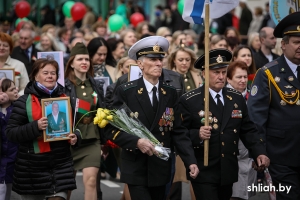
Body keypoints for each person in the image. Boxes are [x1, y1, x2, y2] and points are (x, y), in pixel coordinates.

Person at [105, 36, 199, 200]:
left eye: (160, 59)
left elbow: (177, 130)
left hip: (161, 166)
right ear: (140, 64)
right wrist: (136, 142)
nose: (158, 63)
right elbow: (111, 128)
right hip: (136, 165)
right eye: (153, 59)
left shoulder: (169, 93)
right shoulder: (126, 91)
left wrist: (190, 160)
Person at [178, 48, 270, 200]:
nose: (221, 76)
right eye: (216, 72)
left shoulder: (236, 98)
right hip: (204, 168)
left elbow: (248, 130)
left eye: (223, 72)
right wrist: (197, 135)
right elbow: (181, 134)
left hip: (228, 168)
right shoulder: (190, 100)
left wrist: (259, 152)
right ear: (204, 74)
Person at [5, 58, 79, 200]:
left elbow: (76, 126)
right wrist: (35, 126)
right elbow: (11, 132)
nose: (50, 76)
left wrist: (76, 136)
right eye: (45, 73)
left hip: (60, 164)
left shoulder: (65, 99)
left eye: (53, 73)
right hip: (32, 167)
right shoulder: (23, 101)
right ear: (35, 76)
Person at [248, 12, 300, 200]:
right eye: (296, 41)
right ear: (283, 44)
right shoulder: (268, 73)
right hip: (281, 156)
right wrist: (259, 151)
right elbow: (256, 117)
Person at [64, 42, 105, 200]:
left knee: (91, 181)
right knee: (67, 184)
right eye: (80, 59)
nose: (84, 62)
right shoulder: (64, 86)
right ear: (72, 63)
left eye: (87, 59)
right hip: (70, 139)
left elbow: (102, 109)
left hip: (92, 138)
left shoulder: (95, 84)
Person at [226, 61, 257, 200]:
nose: (243, 80)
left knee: (246, 194)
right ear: (229, 79)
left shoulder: (253, 97)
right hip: (230, 157)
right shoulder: (222, 97)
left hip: (249, 156)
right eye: (239, 77)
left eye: (245, 77)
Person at [0, 78, 19, 200]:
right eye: (12, 89)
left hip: (13, 155)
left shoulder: (17, 108)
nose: (16, 90)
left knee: (7, 191)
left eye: (16, 87)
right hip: (2, 155)